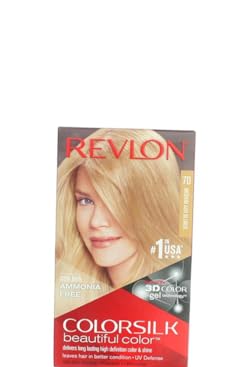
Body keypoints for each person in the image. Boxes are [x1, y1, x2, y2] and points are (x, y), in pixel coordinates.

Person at [55, 128, 187, 315]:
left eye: (116, 201)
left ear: (154, 206)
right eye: (85, 201)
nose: (96, 222)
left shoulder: (174, 303)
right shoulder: (66, 295)